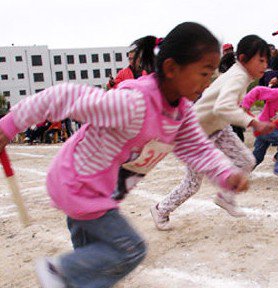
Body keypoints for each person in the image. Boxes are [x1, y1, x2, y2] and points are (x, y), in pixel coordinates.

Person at [0, 22, 251, 287]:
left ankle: (69, 279)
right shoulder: (134, 103)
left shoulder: (182, 112)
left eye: (211, 73)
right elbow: (64, 96)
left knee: (92, 262)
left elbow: (197, 148)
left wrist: (226, 174)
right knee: (130, 249)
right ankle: (59, 271)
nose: (209, 81)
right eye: (204, 72)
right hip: (80, 184)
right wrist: (8, 126)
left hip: (100, 188)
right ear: (171, 68)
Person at [150, 35, 275, 231]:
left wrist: (252, 119)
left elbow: (226, 107)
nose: (265, 64)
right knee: (192, 184)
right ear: (243, 58)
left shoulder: (240, 75)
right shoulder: (238, 76)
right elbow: (222, 107)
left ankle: (225, 196)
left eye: (266, 60)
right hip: (196, 135)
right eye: (260, 60)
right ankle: (160, 209)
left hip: (218, 128)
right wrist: (253, 123)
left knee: (246, 161)